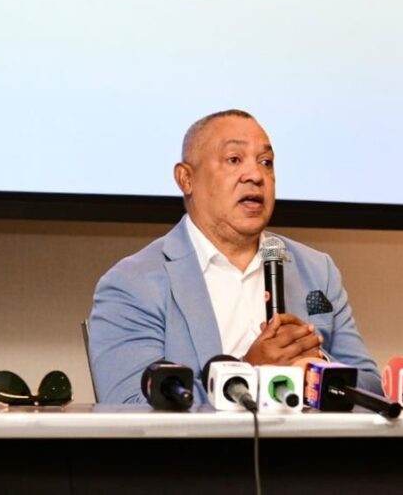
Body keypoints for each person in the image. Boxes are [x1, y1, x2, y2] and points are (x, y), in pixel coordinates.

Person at [88, 109, 381, 404]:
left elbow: (372, 388)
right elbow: (128, 404)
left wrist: (317, 367)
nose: (256, 176)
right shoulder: (133, 283)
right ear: (186, 179)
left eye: (266, 162)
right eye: (234, 159)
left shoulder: (316, 270)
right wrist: (251, 372)